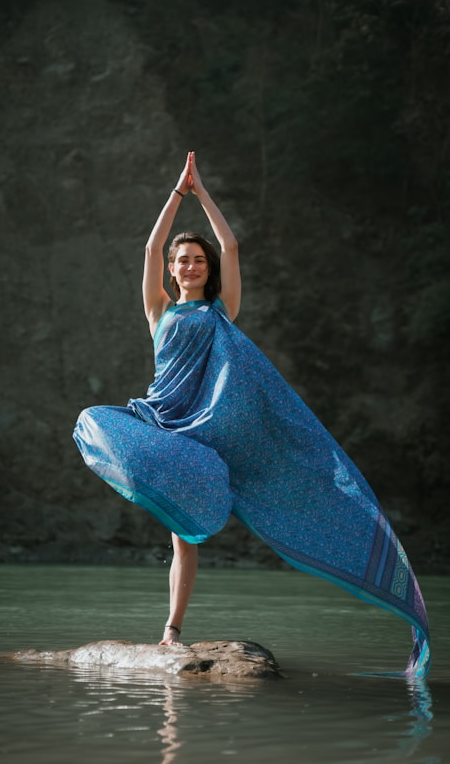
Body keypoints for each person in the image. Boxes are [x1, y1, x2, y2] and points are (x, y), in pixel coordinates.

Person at [74, 152, 431, 676]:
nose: (189, 265)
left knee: (185, 539)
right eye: (182, 261)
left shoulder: (222, 312)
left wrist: (204, 194)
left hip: (204, 435)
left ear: (207, 269)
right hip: (160, 426)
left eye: (197, 260)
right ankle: (172, 629)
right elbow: (150, 246)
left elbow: (232, 245)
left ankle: (172, 629)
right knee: (96, 423)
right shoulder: (159, 311)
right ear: (172, 271)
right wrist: (178, 193)